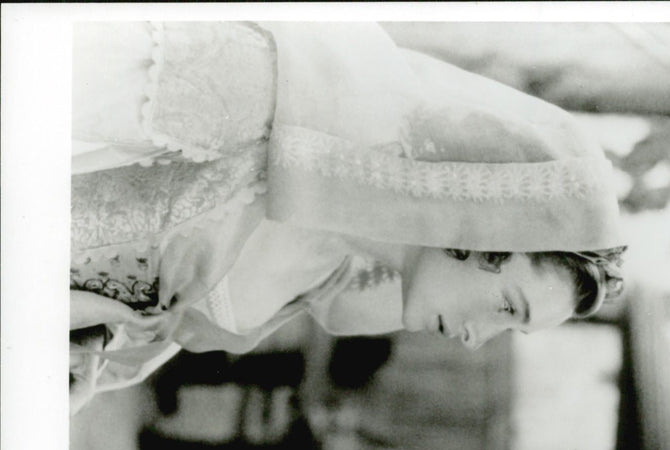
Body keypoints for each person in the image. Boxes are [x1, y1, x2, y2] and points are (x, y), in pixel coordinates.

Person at [70, 21, 626, 412]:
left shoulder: (318, 280)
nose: (478, 339)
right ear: (482, 232)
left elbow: (124, 341)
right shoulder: (260, 95)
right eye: (508, 306)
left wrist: (82, 363)